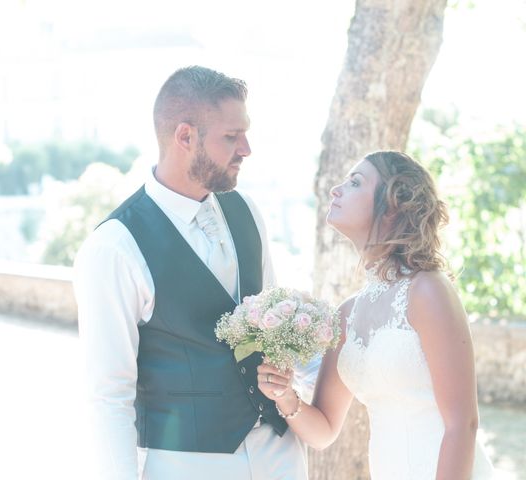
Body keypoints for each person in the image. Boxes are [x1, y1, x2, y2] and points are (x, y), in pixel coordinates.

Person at [74, 66, 314, 480]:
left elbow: (273, 328)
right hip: (187, 464)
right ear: (185, 137)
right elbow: (109, 396)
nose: (246, 148)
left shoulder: (247, 211)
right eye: (231, 136)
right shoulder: (114, 247)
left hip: (280, 455)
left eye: (245, 132)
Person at [258, 151, 495, 479]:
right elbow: (324, 429)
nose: (335, 190)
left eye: (355, 182)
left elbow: (462, 425)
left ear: (393, 206)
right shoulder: (348, 313)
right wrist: (284, 395)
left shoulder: (428, 290)